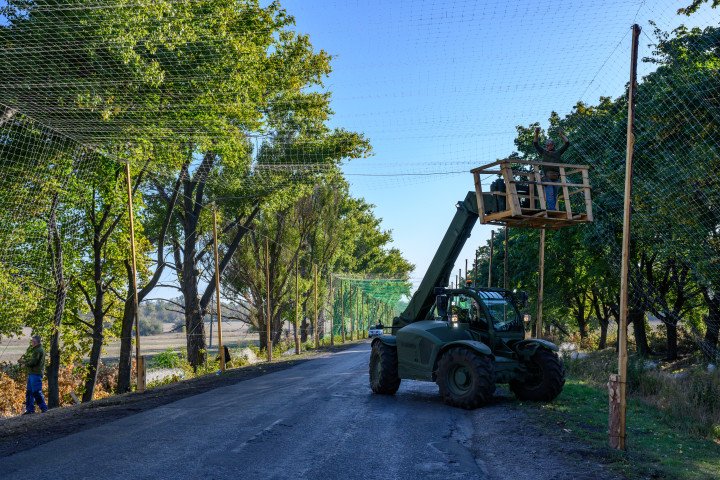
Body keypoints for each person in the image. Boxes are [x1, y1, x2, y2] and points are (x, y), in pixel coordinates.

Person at [533, 127, 570, 210]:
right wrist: (536, 133)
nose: (548, 146)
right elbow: (535, 143)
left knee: (554, 194)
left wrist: (561, 135)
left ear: (553, 145)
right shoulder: (544, 152)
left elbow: (567, 143)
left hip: (556, 177)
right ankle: (551, 210)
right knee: (550, 193)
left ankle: (552, 209)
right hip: (547, 177)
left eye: (550, 144)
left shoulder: (557, 152)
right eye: (547, 145)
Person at [22, 335, 47, 414]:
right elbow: (33, 360)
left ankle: (44, 408)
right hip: (32, 373)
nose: (31, 343)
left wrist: (24, 364)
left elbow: (33, 362)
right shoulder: (37, 350)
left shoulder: (38, 350)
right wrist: (24, 361)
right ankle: (30, 410)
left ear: (35, 342)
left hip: (36, 374)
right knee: (29, 392)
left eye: (32, 341)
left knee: (36, 391)